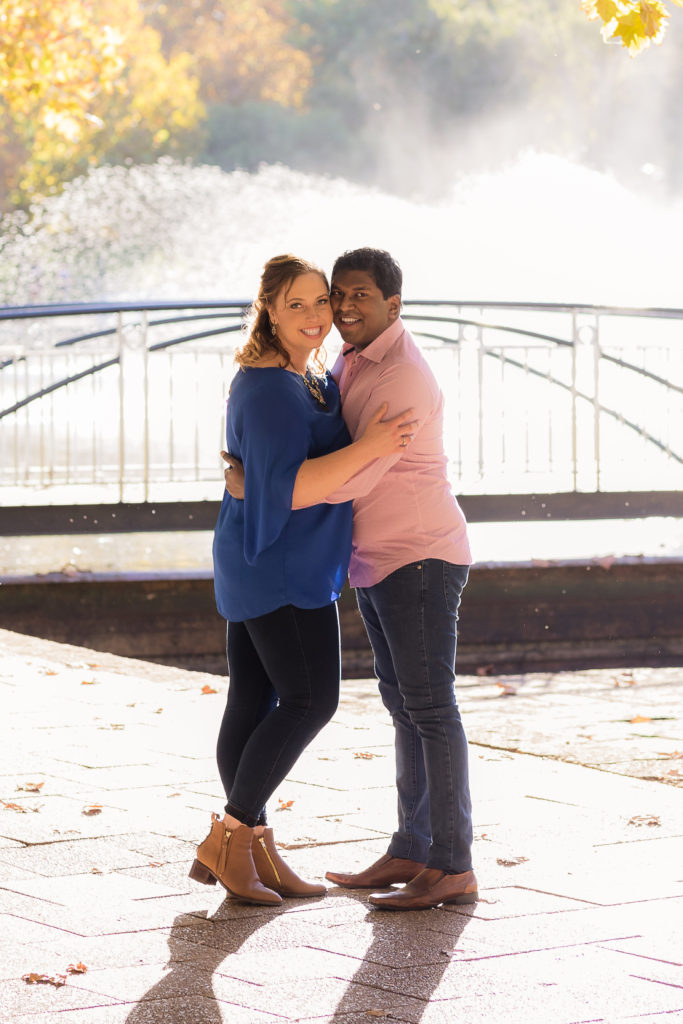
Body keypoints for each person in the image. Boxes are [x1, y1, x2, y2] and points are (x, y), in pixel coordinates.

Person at [223, 248, 478, 911]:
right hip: (376, 560)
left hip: (417, 555)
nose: (342, 308)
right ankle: (411, 846)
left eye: (359, 296)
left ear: (393, 304)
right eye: (337, 295)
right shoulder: (344, 361)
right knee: (404, 707)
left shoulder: (399, 378)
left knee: (429, 708)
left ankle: (450, 863)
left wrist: (256, 486)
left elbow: (351, 476)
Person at [189, 254, 416, 907]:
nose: (317, 315)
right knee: (311, 700)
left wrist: (245, 478)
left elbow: (258, 475)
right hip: (278, 563)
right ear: (267, 308)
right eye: (298, 305)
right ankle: (231, 837)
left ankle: (252, 849)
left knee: (253, 698)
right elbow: (285, 489)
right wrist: (372, 446)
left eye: (322, 302)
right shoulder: (267, 388)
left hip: (270, 557)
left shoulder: (300, 375)